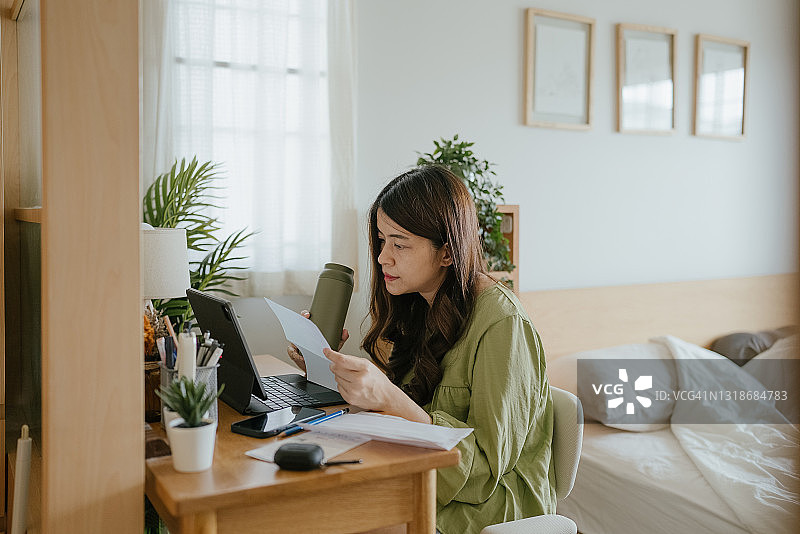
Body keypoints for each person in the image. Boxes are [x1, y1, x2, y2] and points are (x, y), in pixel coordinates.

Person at [288, 165, 555, 534]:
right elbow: (405, 409)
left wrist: (389, 398)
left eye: (400, 244)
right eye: (382, 241)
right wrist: (327, 367)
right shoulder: (421, 305)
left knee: (330, 515)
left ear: (446, 252)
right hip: (421, 473)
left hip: (488, 506)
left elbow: (484, 472)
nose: (383, 257)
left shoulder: (501, 324)